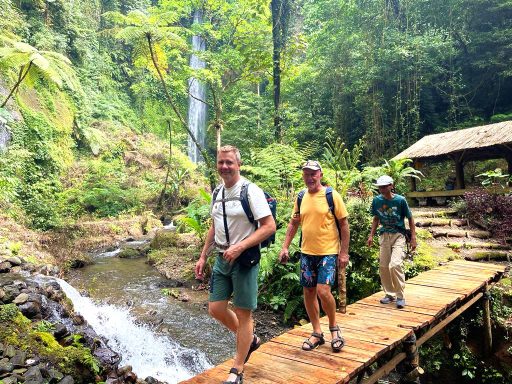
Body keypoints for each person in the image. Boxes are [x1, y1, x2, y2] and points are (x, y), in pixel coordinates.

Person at [195, 145, 276, 384]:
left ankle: (237, 369)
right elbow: (214, 225)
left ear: (238, 164)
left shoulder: (250, 191)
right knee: (215, 308)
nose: (224, 167)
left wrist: (240, 246)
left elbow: (269, 226)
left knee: (243, 313)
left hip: (245, 260)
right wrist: (202, 256)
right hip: (222, 258)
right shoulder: (217, 192)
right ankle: (249, 339)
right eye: (221, 162)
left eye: (229, 162)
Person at [279, 160, 350, 352]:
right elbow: (294, 224)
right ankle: (317, 332)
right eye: (306, 174)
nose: (309, 178)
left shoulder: (331, 195)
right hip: (306, 253)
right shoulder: (301, 196)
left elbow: (344, 224)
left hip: (328, 252)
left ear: (320, 174)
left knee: (322, 290)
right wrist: (285, 247)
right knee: (308, 291)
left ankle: (334, 328)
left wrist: (344, 252)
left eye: (313, 174)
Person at [366, 175, 417, 309]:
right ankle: (389, 294)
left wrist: (413, 238)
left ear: (391, 185)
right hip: (384, 235)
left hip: (398, 235)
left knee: (394, 264)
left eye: (384, 186)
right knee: (383, 266)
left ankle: (400, 295)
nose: (382, 189)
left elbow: (410, 218)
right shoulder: (377, 201)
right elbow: (376, 218)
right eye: (380, 187)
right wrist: (371, 235)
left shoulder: (400, 200)